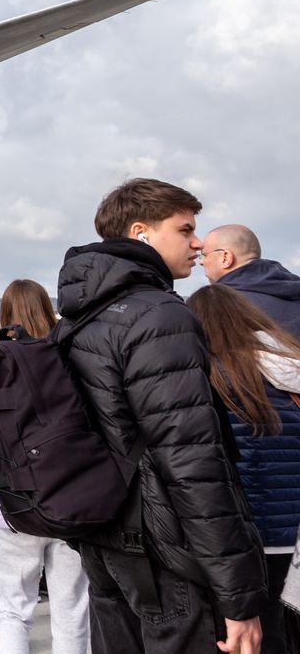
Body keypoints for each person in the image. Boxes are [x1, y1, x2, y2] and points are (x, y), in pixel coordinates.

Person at [57, 178, 267, 654]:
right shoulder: (159, 315)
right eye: (185, 229)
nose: (197, 243)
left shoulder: (79, 315)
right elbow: (192, 463)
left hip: (102, 539)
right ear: (141, 232)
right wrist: (238, 596)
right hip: (165, 553)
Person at [0, 280, 89, 654]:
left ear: (3, 315)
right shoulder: (69, 353)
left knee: (14, 608)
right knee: (72, 606)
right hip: (72, 494)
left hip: (15, 498)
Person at [187, 284, 300, 654]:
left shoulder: (212, 378)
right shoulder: (291, 367)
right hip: (295, 537)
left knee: (257, 638)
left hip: (249, 539)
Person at [202, 224, 300, 338]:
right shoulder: (294, 291)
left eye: (204, 255)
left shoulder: (219, 306)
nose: (201, 262)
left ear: (225, 258)